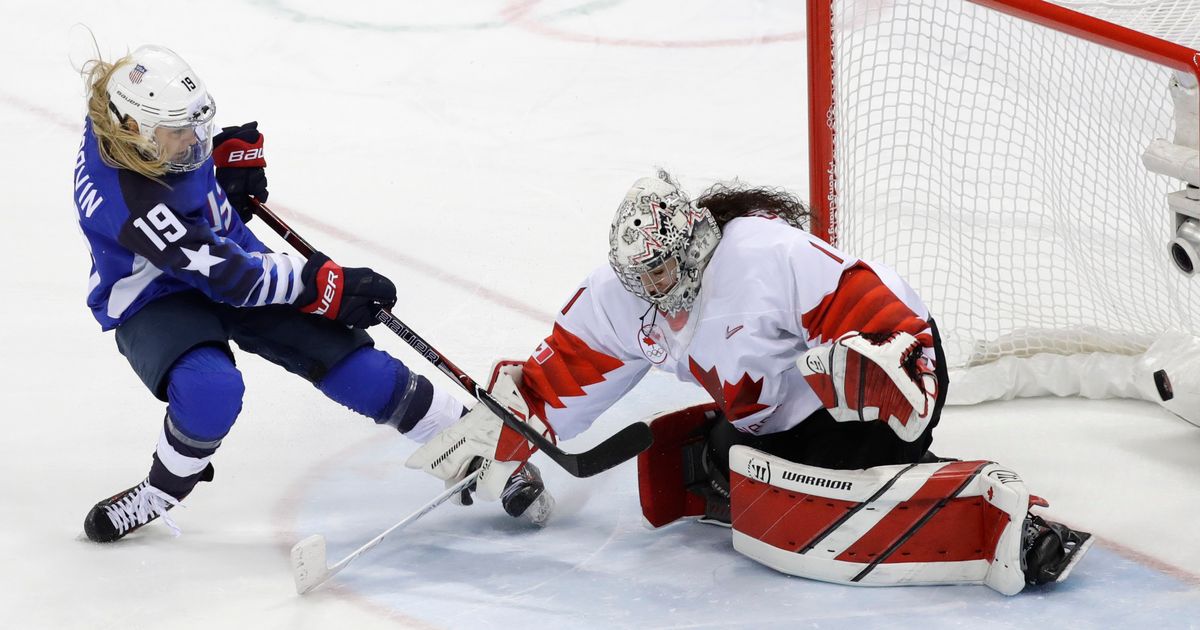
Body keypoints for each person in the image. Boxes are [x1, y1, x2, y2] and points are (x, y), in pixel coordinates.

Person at [405, 170, 1093, 595]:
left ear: (696, 244)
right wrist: (505, 434)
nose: (650, 292)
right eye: (637, 278)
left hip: (879, 385)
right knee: (757, 478)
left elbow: (873, 302)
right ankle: (720, 458)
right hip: (775, 417)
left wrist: (889, 365)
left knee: (818, 490)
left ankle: (1013, 523)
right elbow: (564, 373)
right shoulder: (628, 294)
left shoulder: (764, 256)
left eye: (661, 273)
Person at [73, 44, 551, 543]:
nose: (194, 139)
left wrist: (217, 165)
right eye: (181, 133)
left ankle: (469, 444)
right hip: (158, 294)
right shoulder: (130, 203)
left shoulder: (128, 118)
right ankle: (162, 490)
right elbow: (234, 280)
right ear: (131, 130)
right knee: (209, 390)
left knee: (356, 366)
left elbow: (199, 207)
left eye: (198, 127)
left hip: (217, 249)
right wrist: (327, 286)